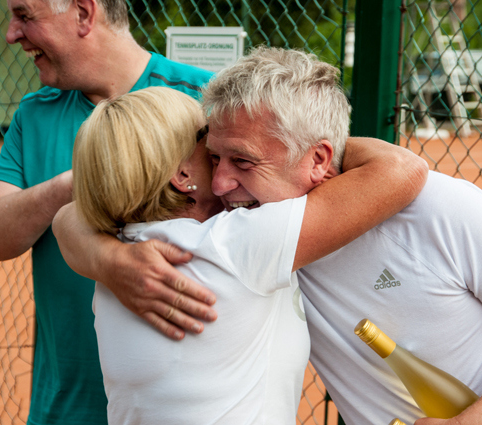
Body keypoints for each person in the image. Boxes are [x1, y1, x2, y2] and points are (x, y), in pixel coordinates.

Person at [54, 46, 482, 425]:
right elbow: (75, 217)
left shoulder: (435, 209)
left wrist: (478, 422)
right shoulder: (238, 228)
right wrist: (108, 258)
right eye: (213, 158)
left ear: (318, 160)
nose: (220, 183)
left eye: (243, 161)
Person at [69, 85, 425, 424]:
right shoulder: (232, 244)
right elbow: (401, 168)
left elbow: (68, 216)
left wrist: (102, 256)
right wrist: (297, 141)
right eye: (208, 144)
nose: (219, 159)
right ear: (181, 173)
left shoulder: (119, 249)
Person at [0, 1, 218, 423]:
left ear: (83, 13)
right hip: (63, 410)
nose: (11, 34)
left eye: (25, 16)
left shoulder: (207, 98)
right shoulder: (36, 111)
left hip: (179, 410)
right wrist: (76, 182)